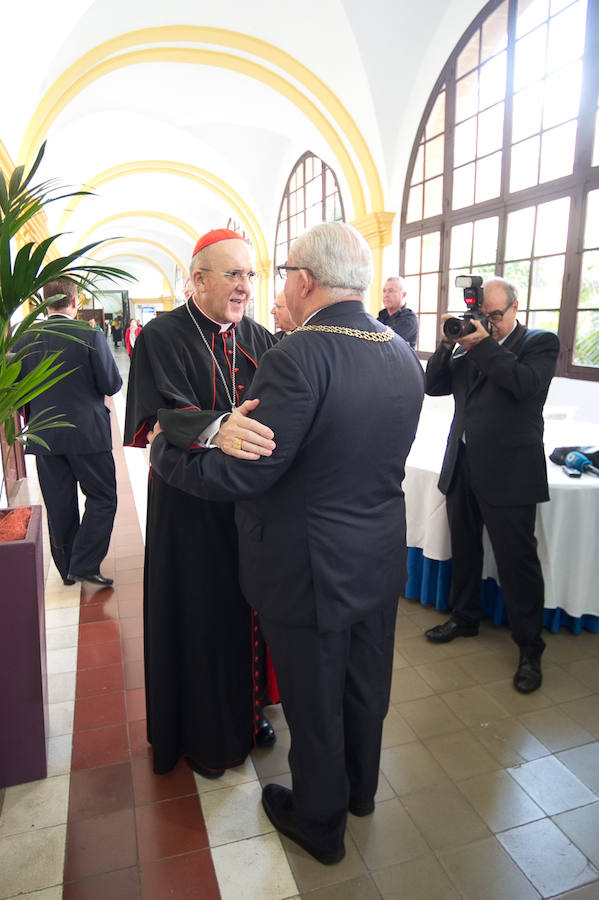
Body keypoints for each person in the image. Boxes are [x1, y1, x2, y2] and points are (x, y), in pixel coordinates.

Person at [149, 222, 425, 865]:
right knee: (365, 689)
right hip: (378, 557)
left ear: (303, 280)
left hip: (308, 568)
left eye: (273, 276)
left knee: (314, 700)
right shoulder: (398, 349)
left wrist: (170, 457)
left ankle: (320, 822)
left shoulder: (296, 355)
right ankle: (358, 794)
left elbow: (249, 469)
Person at [124, 228, 279, 778]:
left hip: (248, 508)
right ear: (198, 280)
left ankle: (250, 711)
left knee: (247, 612)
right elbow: (156, 415)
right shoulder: (162, 336)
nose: (244, 286)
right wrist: (219, 427)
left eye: (250, 276)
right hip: (188, 509)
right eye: (232, 274)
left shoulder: (260, 338)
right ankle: (198, 732)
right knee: (199, 614)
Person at [423, 277, 560, 694]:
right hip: (463, 463)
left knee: (517, 562)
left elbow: (524, 386)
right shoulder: (469, 344)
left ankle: (529, 648)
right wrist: (449, 342)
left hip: (510, 471)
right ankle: (465, 618)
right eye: (482, 315)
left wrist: (482, 343)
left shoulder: (539, 343)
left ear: (516, 309)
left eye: (496, 316)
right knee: (464, 547)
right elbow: (434, 387)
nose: (489, 323)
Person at [16, 278, 121, 586]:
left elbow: (16, 390)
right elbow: (111, 384)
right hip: (87, 434)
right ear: (75, 303)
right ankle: (84, 562)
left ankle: (66, 570)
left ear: (44, 304)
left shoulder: (25, 338)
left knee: (59, 503)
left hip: (45, 434)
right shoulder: (90, 334)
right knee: (103, 497)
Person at [378, 276, 418, 348]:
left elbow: (388, 345)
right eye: (384, 291)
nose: (386, 295)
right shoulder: (381, 316)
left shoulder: (409, 319)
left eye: (391, 291)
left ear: (403, 294)